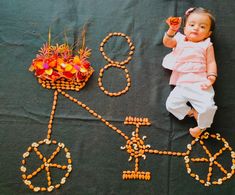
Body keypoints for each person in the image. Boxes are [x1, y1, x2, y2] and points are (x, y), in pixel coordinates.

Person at [162, 7, 218, 138]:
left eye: (202, 27)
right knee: (171, 104)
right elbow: (167, 43)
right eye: (191, 25)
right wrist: (172, 30)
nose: (196, 28)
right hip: (182, 85)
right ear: (185, 28)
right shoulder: (180, 40)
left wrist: (211, 76)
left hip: (200, 84)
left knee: (209, 107)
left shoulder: (206, 45)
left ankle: (202, 127)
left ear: (209, 33)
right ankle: (192, 112)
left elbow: (211, 62)